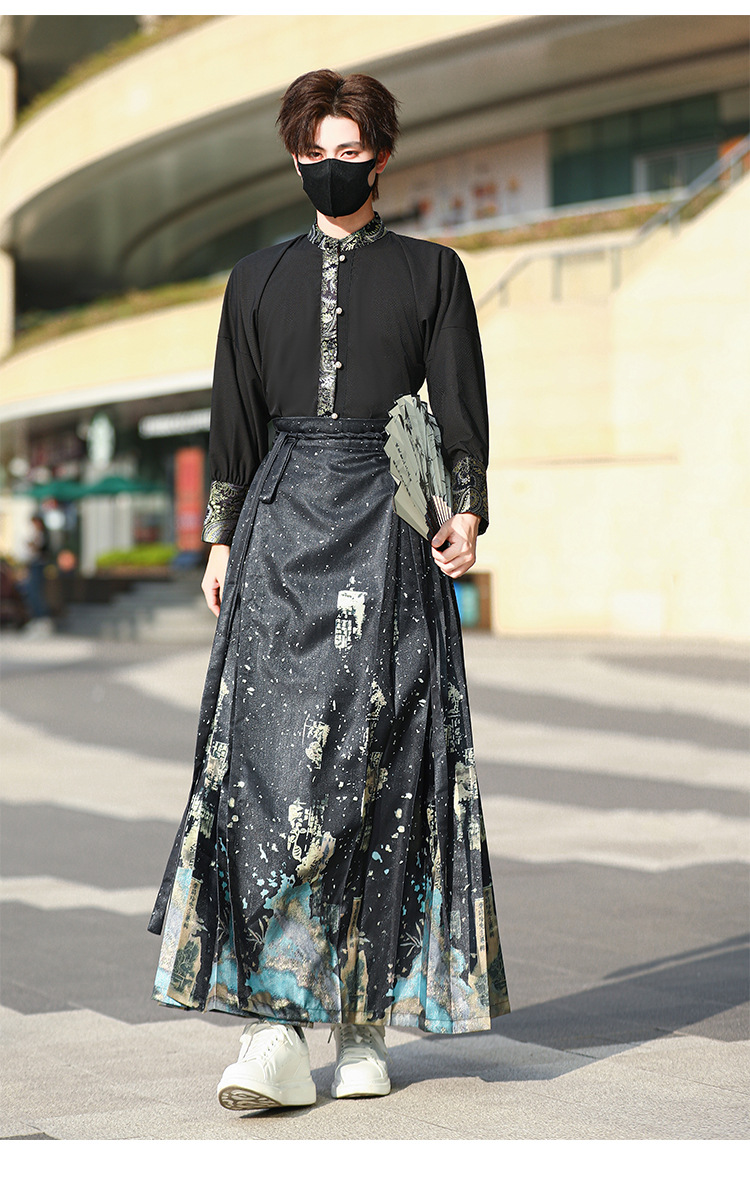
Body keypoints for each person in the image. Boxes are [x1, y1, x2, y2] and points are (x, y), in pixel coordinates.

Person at [148, 68, 510, 1112]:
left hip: (390, 526)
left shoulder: (433, 271)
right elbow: (232, 414)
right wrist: (220, 537)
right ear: (295, 157)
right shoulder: (253, 277)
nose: (333, 168)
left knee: (380, 769)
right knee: (269, 774)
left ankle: (361, 1024)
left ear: (381, 156)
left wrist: (465, 510)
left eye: (352, 151)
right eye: (316, 152)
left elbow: (458, 406)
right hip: (279, 529)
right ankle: (273, 1027)